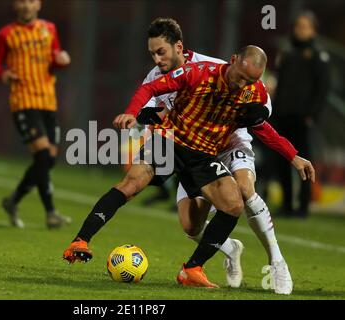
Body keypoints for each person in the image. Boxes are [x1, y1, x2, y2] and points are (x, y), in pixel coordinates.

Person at [64, 42, 305, 288]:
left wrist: (293, 155)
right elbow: (150, 88)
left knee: (230, 205)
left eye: (249, 80)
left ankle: (191, 270)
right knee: (132, 182)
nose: (241, 84)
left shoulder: (255, 94)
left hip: (203, 154)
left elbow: (260, 128)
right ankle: (81, 240)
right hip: (170, 139)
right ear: (232, 60)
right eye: (240, 77)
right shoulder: (198, 72)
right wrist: (132, 112)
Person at [136, 18, 315, 294]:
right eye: (155, 53)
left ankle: (277, 261)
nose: (243, 83)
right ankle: (230, 247)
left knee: (244, 190)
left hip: (231, 143)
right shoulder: (179, 75)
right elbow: (146, 109)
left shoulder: (239, 78)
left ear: (177, 48)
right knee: (190, 225)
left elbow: (262, 109)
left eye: (161, 51)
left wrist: (290, 151)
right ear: (233, 62)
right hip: (196, 151)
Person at [0, 0, 72, 229]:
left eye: (31, 1)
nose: (27, 5)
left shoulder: (49, 29)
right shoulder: (7, 34)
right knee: (43, 156)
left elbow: (53, 59)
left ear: (39, 5)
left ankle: (13, 201)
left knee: (48, 160)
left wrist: (61, 61)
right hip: (23, 101)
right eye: (22, 1)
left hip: (48, 100)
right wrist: (3, 74)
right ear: (15, 5)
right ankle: (51, 213)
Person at [273, 10, 330, 218]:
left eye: (305, 27)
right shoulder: (288, 54)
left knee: (304, 161)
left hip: (303, 118)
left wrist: (311, 115)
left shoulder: (318, 56)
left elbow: (322, 89)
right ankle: (287, 203)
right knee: (283, 160)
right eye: (298, 26)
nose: (300, 30)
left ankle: (303, 206)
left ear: (313, 30)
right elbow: (281, 85)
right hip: (283, 115)